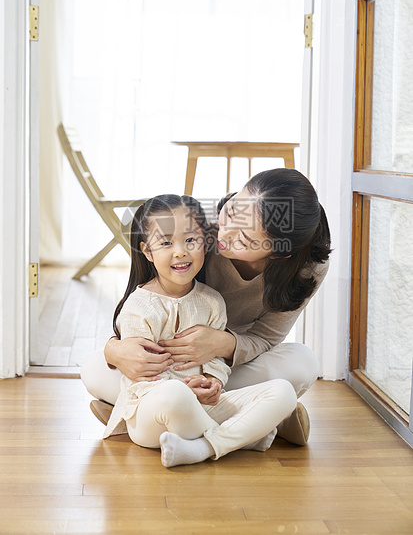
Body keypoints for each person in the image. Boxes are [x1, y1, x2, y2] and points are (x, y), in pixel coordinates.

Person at [81, 168, 331, 446]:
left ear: (278, 252)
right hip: (169, 365)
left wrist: (220, 345)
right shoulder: (195, 230)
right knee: (94, 369)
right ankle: (260, 419)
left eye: (244, 240)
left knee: (303, 364)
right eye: (233, 211)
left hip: (225, 365)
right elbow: (142, 300)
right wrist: (114, 350)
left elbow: (266, 338)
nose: (223, 234)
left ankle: (151, 417)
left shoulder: (307, 268)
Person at [103, 193, 298, 467]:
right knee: (175, 395)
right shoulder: (139, 306)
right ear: (147, 251)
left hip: (201, 406)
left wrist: (213, 382)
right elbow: (142, 377)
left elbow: (216, 360)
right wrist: (185, 390)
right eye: (166, 242)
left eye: (190, 240)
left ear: (206, 244)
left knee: (282, 392)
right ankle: (246, 436)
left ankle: (203, 447)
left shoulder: (212, 301)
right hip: (152, 410)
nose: (180, 251)